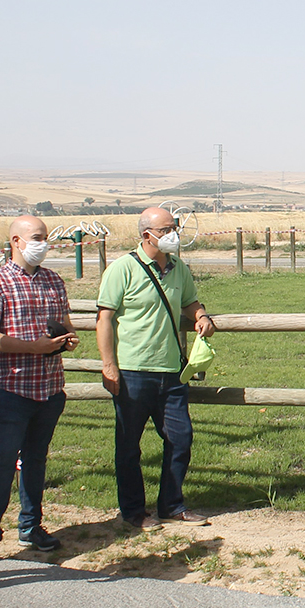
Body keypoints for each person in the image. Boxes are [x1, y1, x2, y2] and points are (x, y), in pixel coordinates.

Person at [96, 207, 215, 530]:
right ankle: (133, 511)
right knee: (129, 445)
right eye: (166, 230)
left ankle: (171, 505)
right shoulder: (122, 269)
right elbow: (104, 319)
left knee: (180, 438)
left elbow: (190, 301)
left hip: (171, 371)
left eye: (173, 228)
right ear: (146, 235)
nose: (173, 235)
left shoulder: (179, 269)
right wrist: (109, 366)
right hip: (133, 371)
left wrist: (200, 315)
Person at [0, 216, 79, 562]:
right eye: (36, 237)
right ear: (16, 241)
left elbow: (65, 323)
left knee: (36, 460)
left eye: (45, 237)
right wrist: (35, 347)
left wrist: (67, 339)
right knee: (3, 461)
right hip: (13, 388)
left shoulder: (53, 281)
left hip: (49, 387)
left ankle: (31, 526)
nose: (43, 243)